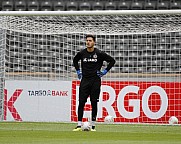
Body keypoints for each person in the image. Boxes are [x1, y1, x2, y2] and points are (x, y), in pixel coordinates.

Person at [72, 34, 115, 131]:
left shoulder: (99, 53)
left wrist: (105, 71)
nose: (88, 42)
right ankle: (79, 125)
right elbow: (75, 60)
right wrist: (78, 71)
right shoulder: (82, 53)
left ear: (94, 42)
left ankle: (93, 125)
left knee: (94, 102)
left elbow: (112, 61)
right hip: (85, 80)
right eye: (87, 40)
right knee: (81, 102)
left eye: (90, 40)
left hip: (95, 81)